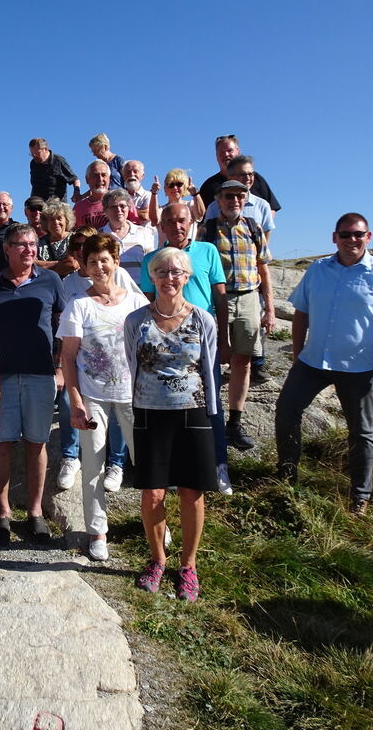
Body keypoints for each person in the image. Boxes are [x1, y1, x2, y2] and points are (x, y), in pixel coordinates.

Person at [275, 213, 373, 515]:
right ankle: (287, 476)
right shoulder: (317, 270)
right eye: (345, 234)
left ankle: (359, 498)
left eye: (358, 234)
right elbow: (301, 311)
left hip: (360, 368)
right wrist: (298, 352)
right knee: (287, 410)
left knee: (361, 431)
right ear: (334, 237)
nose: (351, 240)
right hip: (313, 362)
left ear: (368, 237)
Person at [125, 247, 220, 602]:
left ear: (187, 276)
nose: (169, 278)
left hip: (192, 412)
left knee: (191, 493)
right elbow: (130, 364)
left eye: (176, 272)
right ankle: (157, 560)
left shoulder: (202, 319)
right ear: (151, 277)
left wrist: (214, 415)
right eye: (161, 272)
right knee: (152, 493)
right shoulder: (136, 321)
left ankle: (189, 565)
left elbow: (210, 369)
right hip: (149, 412)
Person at [0, 223, 66, 545]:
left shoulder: (51, 280)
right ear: (7, 249)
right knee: (1, 445)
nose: (29, 250)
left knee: (36, 443)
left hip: (41, 375)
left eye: (33, 244)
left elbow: (65, 325)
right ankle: (2, 513)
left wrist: (60, 369)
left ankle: (36, 512)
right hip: (1, 377)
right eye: (22, 245)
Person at [59, 234, 148, 561]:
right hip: (92, 396)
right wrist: (76, 399)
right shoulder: (78, 305)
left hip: (132, 396)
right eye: (92, 261)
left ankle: (155, 524)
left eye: (104, 260)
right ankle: (97, 531)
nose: (98, 267)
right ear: (85, 264)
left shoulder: (135, 303)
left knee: (147, 463)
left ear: (115, 261)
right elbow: (68, 358)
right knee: (93, 466)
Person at [139, 203, 232, 494]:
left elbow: (220, 297)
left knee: (210, 403)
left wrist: (225, 339)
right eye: (169, 221)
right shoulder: (151, 259)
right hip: (162, 341)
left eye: (181, 220)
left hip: (200, 338)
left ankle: (218, 465)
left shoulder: (207, 251)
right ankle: (172, 470)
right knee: (168, 408)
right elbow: (147, 300)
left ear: (191, 222)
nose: (176, 226)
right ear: (161, 226)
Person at [201, 180, 276, 452]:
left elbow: (263, 268)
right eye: (228, 196)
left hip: (248, 297)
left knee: (243, 360)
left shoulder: (254, 228)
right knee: (212, 359)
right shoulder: (208, 230)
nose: (234, 201)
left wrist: (270, 307)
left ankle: (235, 421)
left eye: (239, 196)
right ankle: (211, 418)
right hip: (217, 297)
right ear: (218, 200)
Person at [199, 134, 281, 214]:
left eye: (230, 150)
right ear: (216, 156)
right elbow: (201, 217)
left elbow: (271, 208)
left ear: (238, 152)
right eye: (222, 152)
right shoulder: (208, 186)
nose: (226, 154)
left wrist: (259, 226)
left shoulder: (254, 178)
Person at [202, 156, 275, 240]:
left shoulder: (262, 206)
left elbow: (264, 243)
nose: (248, 178)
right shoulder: (214, 207)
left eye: (250, 174)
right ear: (229, 177)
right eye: (243, 174)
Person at [101, 188, 158, 285]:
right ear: (105, 210)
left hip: (140, 293)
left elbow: (152, 266)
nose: (118, 210)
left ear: (129, 208)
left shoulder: (144, 233)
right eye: (113, 207)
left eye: (122, 206)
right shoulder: (99, 236)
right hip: (110, 294)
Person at [150, 168, 206, 240]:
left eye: (179, 184)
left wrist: (195, 194)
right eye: (171, 185)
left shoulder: (191, 205)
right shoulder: (161, 210)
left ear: (185, 187)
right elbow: (154, 220)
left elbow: (200, 215)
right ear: (165, 189)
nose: (175, 188)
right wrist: (154, 193)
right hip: (166, 250)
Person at [35, 198, 78, 276]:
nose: (56, 222)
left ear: (67, 220)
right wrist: (61, 263)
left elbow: (72, 264)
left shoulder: (75, 238)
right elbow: (33, 264)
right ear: (46, 222)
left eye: (59, 218)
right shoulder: (39, 243)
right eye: (51, 219)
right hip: (48, 287)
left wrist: (44, 267)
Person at [73, 161, 111, 229]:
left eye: (103, 175)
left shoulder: (121, 201)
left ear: (109, 178)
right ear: (87, 179)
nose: (100, 179)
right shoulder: (78, 208)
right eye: (95, 175)